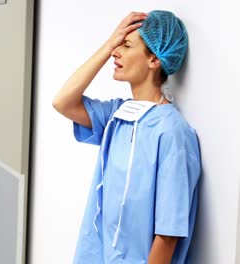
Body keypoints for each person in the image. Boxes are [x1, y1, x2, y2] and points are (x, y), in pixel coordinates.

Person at [52, 11, 201, 264]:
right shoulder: (117, 115)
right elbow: (62, 101)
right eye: (117, 45)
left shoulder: (172, 133)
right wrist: (109, 43)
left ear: (154, 59)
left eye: (126, 45)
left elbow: (167, 235)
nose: (115, 52)